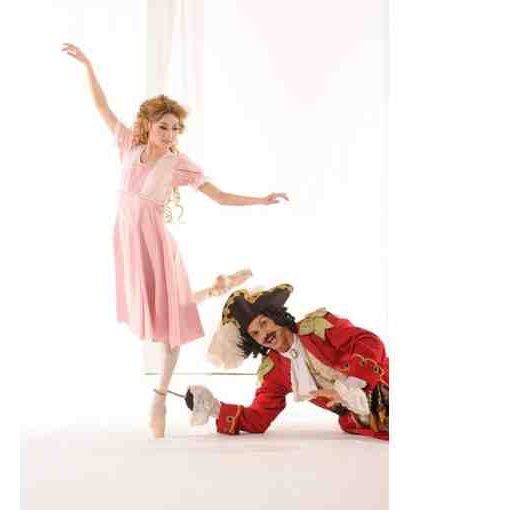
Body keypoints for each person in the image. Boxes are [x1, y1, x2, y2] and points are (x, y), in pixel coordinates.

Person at [61, 43, 289, 438]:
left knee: (170, 324)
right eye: (163, 126)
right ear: (148, 125)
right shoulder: (129, 146)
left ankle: (160, 397)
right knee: (156, 312)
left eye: (175, 128)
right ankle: (219, 287)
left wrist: (261, 199)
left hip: (155, 244)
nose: (169, 134)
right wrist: (88, 66)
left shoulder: (177, 163)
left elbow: (220, 196)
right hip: (128, 241)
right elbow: (102, 107)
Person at [187, 284, 390, 440]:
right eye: (255, 333)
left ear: (276, 317)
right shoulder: (274, 370)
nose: (263, 334)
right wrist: (215, 408)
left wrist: (350, 386)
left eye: (264, 323)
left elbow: (368, 342)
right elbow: (258, 418)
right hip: (370, 424)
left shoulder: (317, 327)